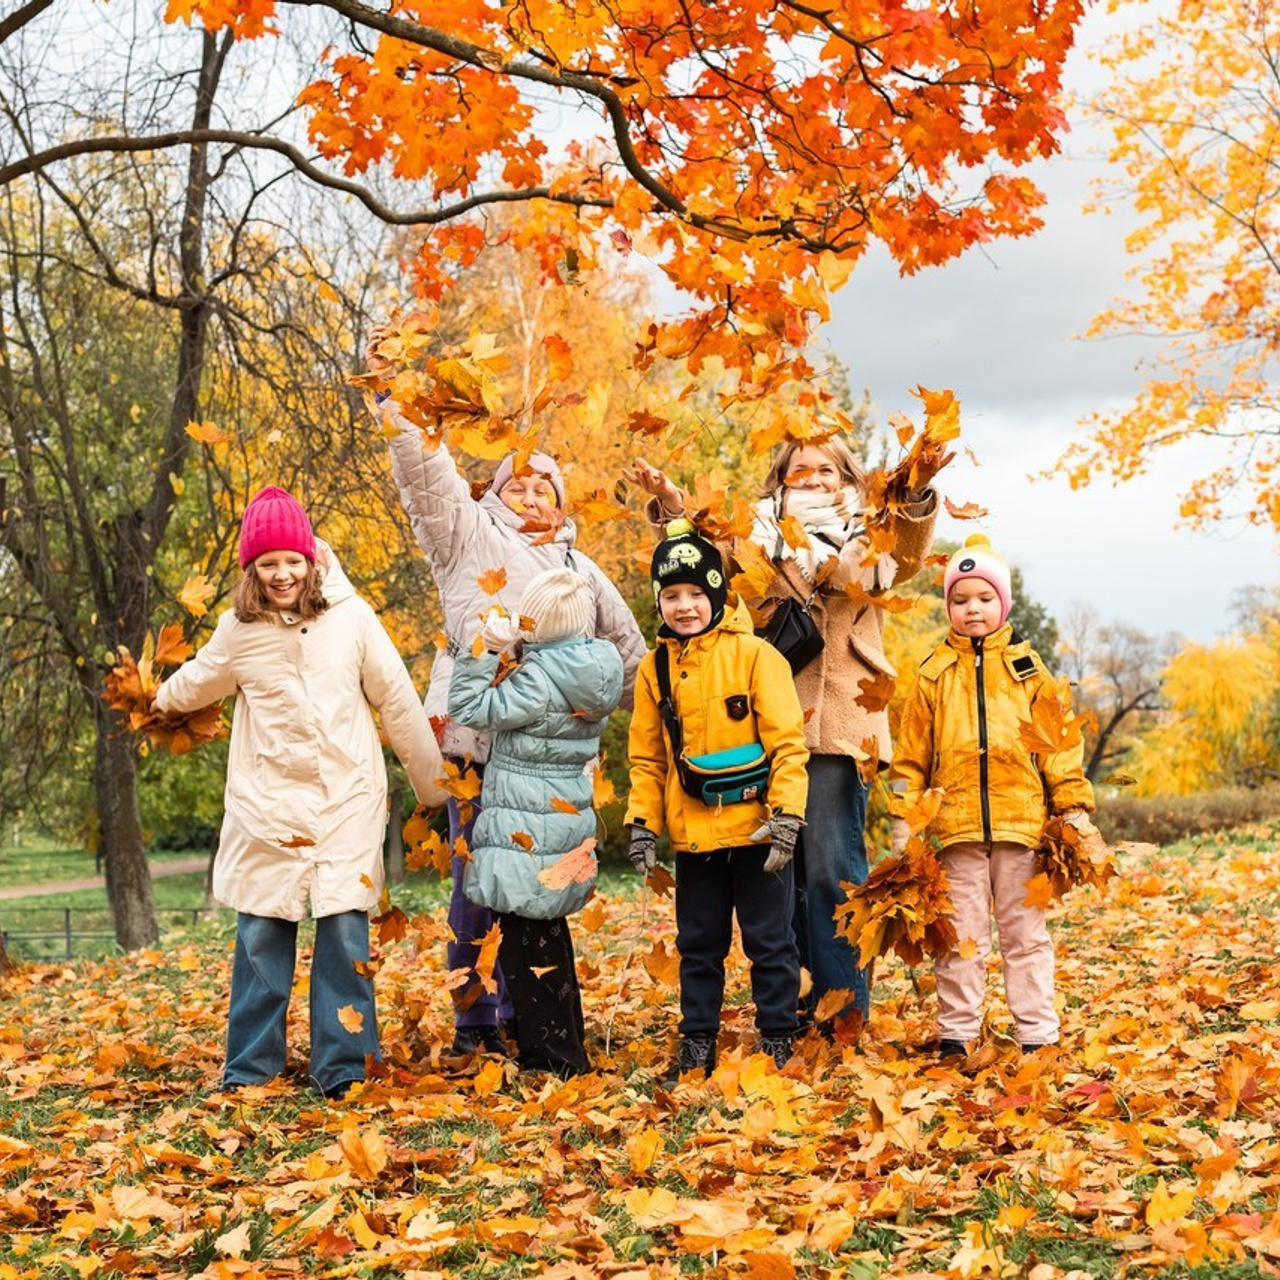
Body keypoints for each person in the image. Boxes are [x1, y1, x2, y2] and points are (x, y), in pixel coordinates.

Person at [372, 374, 646, 1057]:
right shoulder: (467, 535)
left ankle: (534, 1014)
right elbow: (429, 479)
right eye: (516, 485)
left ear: (561, 501)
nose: (529, 496)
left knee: (540, 887)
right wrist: (394, 401)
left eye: (543, 487)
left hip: (547, 757)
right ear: (494, 495)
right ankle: (476, 1019)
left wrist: (610, 707)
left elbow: (628, 655)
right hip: (476, 743)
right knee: (478, 885)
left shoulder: (581, 569)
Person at [626, 440, 937, 1033]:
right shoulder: (761, 536)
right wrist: (671, 504)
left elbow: (910, 549)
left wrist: (917, 490)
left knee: (828, 870)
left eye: (826, 469)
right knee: (778, 876)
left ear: (845, 478)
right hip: (763, 725)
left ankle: (842, 1012)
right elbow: (699, 563)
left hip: (839, 723)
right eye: (800, 470)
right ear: (781, 479)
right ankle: (794, 1010)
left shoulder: (870, 532)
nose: (813, 478)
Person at [154, 487, 447, 1098]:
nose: (282, 573)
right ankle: (250, 1068)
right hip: (267, 807)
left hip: (346, 800)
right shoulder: (238, 631)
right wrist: (155, 700)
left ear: (311, 559)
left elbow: (396, 699)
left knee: (343, 934)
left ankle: (343, 1067)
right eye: (268, 563)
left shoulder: (353, 618)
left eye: (292, 560)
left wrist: (433, 788)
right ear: (251, 569)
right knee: (261, 937)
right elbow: (198, 679)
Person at [888, 533, 1097, 1056]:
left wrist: (1072, 806)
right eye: (960, 600)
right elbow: (909, 759)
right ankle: (958, 1034)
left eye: (984, 598)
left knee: (1026, 936)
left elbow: (1058, 745)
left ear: (1003, 603)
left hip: (1020, 827)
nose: (973, 609)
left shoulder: (1029, 672)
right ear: (948, 607)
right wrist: (904, 821)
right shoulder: (933, 676)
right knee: (961, 937)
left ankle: (1037, 1035)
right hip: (955, 830)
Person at [625, 519, 809, 1077]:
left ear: (717, 593)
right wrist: (642, 822)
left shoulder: (756, 657)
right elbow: (647, 758)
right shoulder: (654, 668)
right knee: (698, 944)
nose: (683, 606)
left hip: (759, 832)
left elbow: (788, 745)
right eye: (671, 596)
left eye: (694, 593)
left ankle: (777, 1036)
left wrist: (787, 816)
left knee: (770, 942)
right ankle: (697, 1041)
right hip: (695, 836)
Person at [446, 568, 623, 1077]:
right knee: (549, 941)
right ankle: (562, 1045)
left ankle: (553, 1060)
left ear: (536, 624)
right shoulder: (591, 670)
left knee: (527, 950)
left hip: (526, 828)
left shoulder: (539, 681)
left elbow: (468, 707)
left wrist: (485, 649)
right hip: (560, 820)